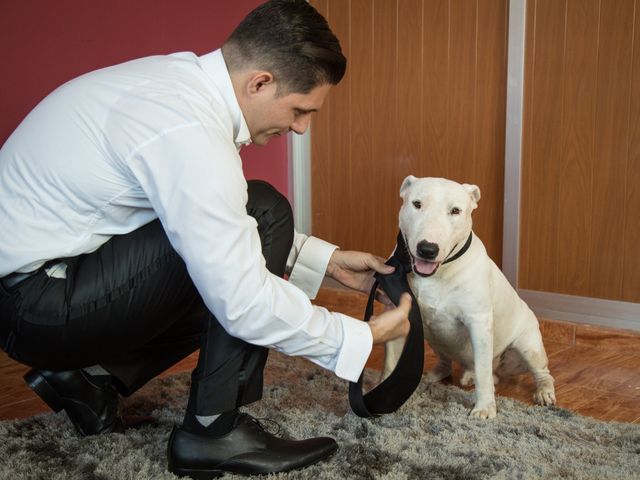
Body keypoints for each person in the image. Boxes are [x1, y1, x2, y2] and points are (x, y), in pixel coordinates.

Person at [0, 0, 411, 477]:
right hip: (38, 304)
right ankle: (213, 432)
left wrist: (328, 260)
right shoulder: (185, 127)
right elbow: (241, 296)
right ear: (260, 82)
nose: (301, 127)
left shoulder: (174, 85)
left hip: (40, 288)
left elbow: (203, 223)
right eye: (300, 109)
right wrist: (358, 336)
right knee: (261, 218)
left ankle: (90, 379)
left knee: (247, 233)